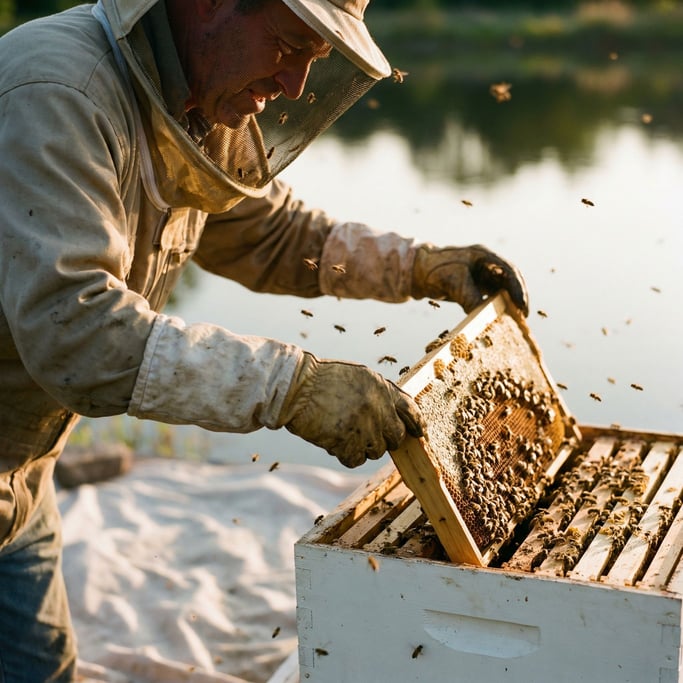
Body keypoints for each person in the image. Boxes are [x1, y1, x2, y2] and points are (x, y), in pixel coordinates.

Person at [0, 0, 528, 679]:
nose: (293, 88)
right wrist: (294, 386)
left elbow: (275, 235)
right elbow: (78, 336)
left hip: (22, 480)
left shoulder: (189, 99)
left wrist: (422, 266)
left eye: (313, 60)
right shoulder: (58, 93)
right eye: (287, 44)